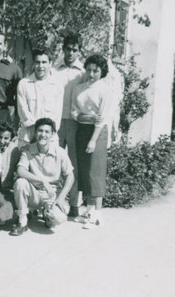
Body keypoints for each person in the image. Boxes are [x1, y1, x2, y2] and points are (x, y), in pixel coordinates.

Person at [10, 118, 74, 236]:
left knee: (58, 219)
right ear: (35, 132)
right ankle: (22, 221)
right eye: (40, 131)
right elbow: (20, 170)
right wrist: (42, 181)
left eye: (47, 132)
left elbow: (70, 175)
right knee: (20, 183)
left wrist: (61, 198)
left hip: (52, 195)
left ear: (52, 134)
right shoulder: (28, 150)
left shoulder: (60, 152)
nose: (43, 135)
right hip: (35, 194)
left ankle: (47, 214)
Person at [71, 54, 113, 229]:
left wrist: (93, 140)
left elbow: (102, 117)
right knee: (84, 170)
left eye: (96, 70)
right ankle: (88, 209)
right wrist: (85, 115)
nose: (91, 73)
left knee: (95, 171)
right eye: (89, 69)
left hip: (97, 132)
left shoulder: (105, 89)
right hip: (82, 129)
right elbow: (73, 111)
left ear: (102, 71)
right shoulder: (79, 88)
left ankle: (98, 213)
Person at [54, 33, 85, 218]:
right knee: (53, 163)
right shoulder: (54, 70)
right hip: (56, 122)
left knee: (73, 165)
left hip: (74, 123)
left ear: (79, 51)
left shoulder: (82, 72)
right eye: (68, 49)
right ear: (63, 49)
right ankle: (53, 203)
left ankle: (74, 204)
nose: (71, 53)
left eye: (74, 50)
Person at [16, 48, 64, 147]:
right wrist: (37, 130)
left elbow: (57, 114)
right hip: (28, 136)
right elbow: (23, 111)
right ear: (33, 64)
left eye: (44, 62)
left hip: (49, 137)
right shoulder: (24, 83)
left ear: (50, 64)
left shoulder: (57, 86)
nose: (40, 66)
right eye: (37, 62)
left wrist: (45, 132)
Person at [0, 121, 20, 224]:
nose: (2, 141)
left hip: (5, 188)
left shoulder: (14, 150)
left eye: (6, 138)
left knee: (2, 219)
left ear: (11, 138)